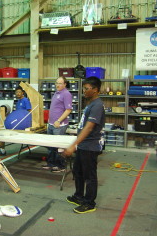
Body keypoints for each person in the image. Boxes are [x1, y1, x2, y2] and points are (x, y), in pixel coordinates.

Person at [63, 76, 105, 214]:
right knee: (78, 172)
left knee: (89, 176)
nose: (84, 91)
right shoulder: (91, 103)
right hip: (83, 145)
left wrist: (73, 144)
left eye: (86, 89)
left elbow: (88, 128)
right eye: (84, 88)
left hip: (90, 146)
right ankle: (79, 196)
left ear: (95, 90)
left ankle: (89, 203)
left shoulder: (97, 105)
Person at [43, 76, 72, 173]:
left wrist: (59, 120)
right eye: (57, 83)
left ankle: (61, 166)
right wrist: (49, 121)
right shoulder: (56, 93)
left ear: (65, 84)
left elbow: (68, 110)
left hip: (59, 125)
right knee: (51, 146)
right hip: (51, 124)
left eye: (60, 83)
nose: (58, 85)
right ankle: (51, 164)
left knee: (59, 147)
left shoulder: (66, 94)